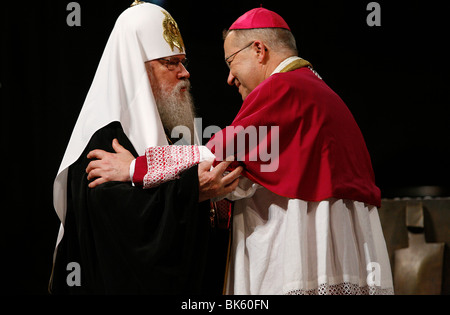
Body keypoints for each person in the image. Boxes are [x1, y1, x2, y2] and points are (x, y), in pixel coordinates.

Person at [87, 7, 394, 295]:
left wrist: (135, 167)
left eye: (231, 61)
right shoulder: (317, 88)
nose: (230, 78)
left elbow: (215, 157)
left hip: (300, 249)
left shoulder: (283, 89)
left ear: (259, 51)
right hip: (344, 249)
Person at [51, 2, 242, 294]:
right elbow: (128, 234)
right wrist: (193, 190)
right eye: (170, 62)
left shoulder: (166, 131)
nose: (184, 73)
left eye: (183, 62)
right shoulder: (104, 139)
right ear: (134, 67)